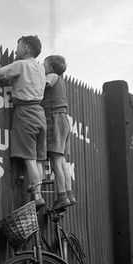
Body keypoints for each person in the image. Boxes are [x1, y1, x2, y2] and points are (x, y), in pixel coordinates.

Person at [0, 36, 46, 209]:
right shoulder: (41, 68)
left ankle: (37, 196)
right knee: (38, 159)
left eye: (18, 47)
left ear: (26, 49)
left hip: (25, 112)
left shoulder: (21, 65)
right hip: (40, 113)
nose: (15, 50)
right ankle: (39, 192)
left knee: (29, 158)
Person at [41, 55, 77, 211]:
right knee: (62, 160)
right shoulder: (61, 80)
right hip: (63, 119)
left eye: (43, 65)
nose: (41, 67)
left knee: (56, 160)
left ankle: (62, 197)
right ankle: (69, 195)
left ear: (49, 68)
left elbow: (41, 84)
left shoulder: (52, 76)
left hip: (54, 118)